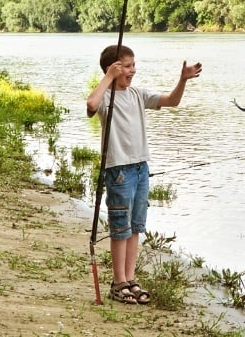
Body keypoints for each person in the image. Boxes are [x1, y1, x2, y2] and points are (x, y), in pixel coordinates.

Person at [86, 44, 202, 305]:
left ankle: (130, 278)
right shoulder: (106, 97)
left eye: (133, 65)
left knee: (135, 226)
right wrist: (108, 78)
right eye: (127, 66)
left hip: (141, 168)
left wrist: (182, 80)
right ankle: (118, 283)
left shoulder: (137, 94)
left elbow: (171, 101)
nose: (132, 71)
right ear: (113, 69)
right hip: (118, 170)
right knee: (120, 228)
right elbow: (91, 104)